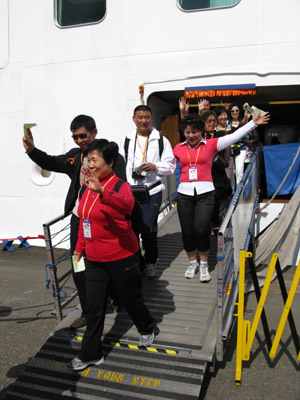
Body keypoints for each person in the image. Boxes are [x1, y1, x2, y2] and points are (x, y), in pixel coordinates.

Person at [22, 115, 126, 329]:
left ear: (94, 132)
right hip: (80, 220)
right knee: (78, 264)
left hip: (104, 221)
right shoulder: (75, 157)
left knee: (109, 262)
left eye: (82, 136)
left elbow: (120, 188)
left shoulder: (112, 156)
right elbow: (50, 162)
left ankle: (117, 298)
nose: (79, 141)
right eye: (75, 137)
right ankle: (88, 311)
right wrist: (32, 150)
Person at [69, 139, 156, 371]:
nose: (91, 164)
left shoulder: (119, 186)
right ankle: (91, 354)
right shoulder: (85, 187)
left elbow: (127, 206)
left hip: (121, 256)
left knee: (130, 298)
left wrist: (102, 191)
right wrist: (79, 247)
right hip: (95, 259)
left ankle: (147, 327)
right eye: (89, 160)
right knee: (95, 308)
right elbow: (83, 220)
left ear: (109, 162)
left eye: (95, 160)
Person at [173, 111, 270, 281]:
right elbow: (166, 166)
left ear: (201, 131)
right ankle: (192, 263)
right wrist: (152, 167)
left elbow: (234, 136)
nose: (191, 135)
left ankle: (203, 266)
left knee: (201, 230)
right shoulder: (178, 148)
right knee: (187, 232)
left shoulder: (211, 144)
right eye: (187, 132)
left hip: (205, 193)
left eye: (194, 132)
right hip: (184, 194)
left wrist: (253, 123)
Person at [119, 105, 176, 279]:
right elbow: (121, 164)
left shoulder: (161, 140)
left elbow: (171, 166)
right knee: (131, 229)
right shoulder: (127, 140)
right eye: (140, 117)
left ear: (151, 119)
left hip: (152, 191)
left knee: (149, 229)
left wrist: (155, 166)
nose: (143, 121)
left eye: (147, 117)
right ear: (134, 119)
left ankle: (151, 262)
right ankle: (138, 262)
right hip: (131, 192)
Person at [202, 109, 232, 236]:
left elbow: (227, 155)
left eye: (214, 121)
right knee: (205, 198)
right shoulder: (199, 136)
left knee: (216, 198)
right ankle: (207, 223)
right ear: (203, 122)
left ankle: (215, 223)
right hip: (203, 172)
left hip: (217, 172)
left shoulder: (220, 135)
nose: (212, 123)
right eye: (209, 121)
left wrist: (227, 169)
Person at [228, 103, 251, 185]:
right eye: (232, 110)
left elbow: (248, 136)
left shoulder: (244, 121)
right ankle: (232, 193)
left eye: (236, 110)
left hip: (241, 148)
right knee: (230, 172)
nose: (234, 112)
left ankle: (239, 194)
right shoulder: (227, 122)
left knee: (239, 171)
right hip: (229, 149)